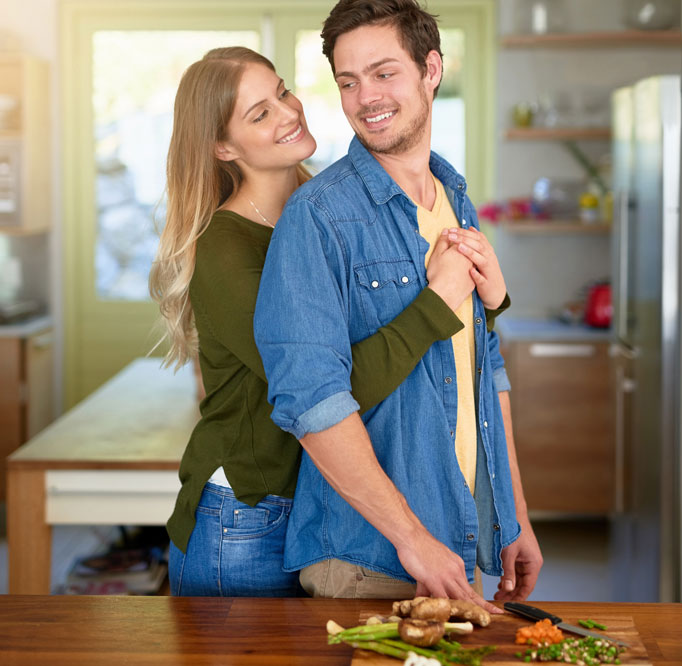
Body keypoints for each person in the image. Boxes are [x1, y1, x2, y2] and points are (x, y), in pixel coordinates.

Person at [149, 45, 509, 597]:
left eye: (283, 92)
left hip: (324, 508)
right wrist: (438, 304)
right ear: (222, 146)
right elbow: (325, 393)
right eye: (259, 113)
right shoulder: (226, 250)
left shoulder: (325, 210)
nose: (290, 112)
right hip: (248, 514)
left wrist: (487, 300)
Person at [254, 0, 543, 607]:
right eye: (348, 81)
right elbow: (311, 401)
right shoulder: (319, 217)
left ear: (431, 70)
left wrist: (512, 515)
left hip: (453, 541)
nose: (366, 98)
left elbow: (483, 370)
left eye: (384, 73)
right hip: (369, 558)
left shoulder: (454, 199)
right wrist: (410, 538)